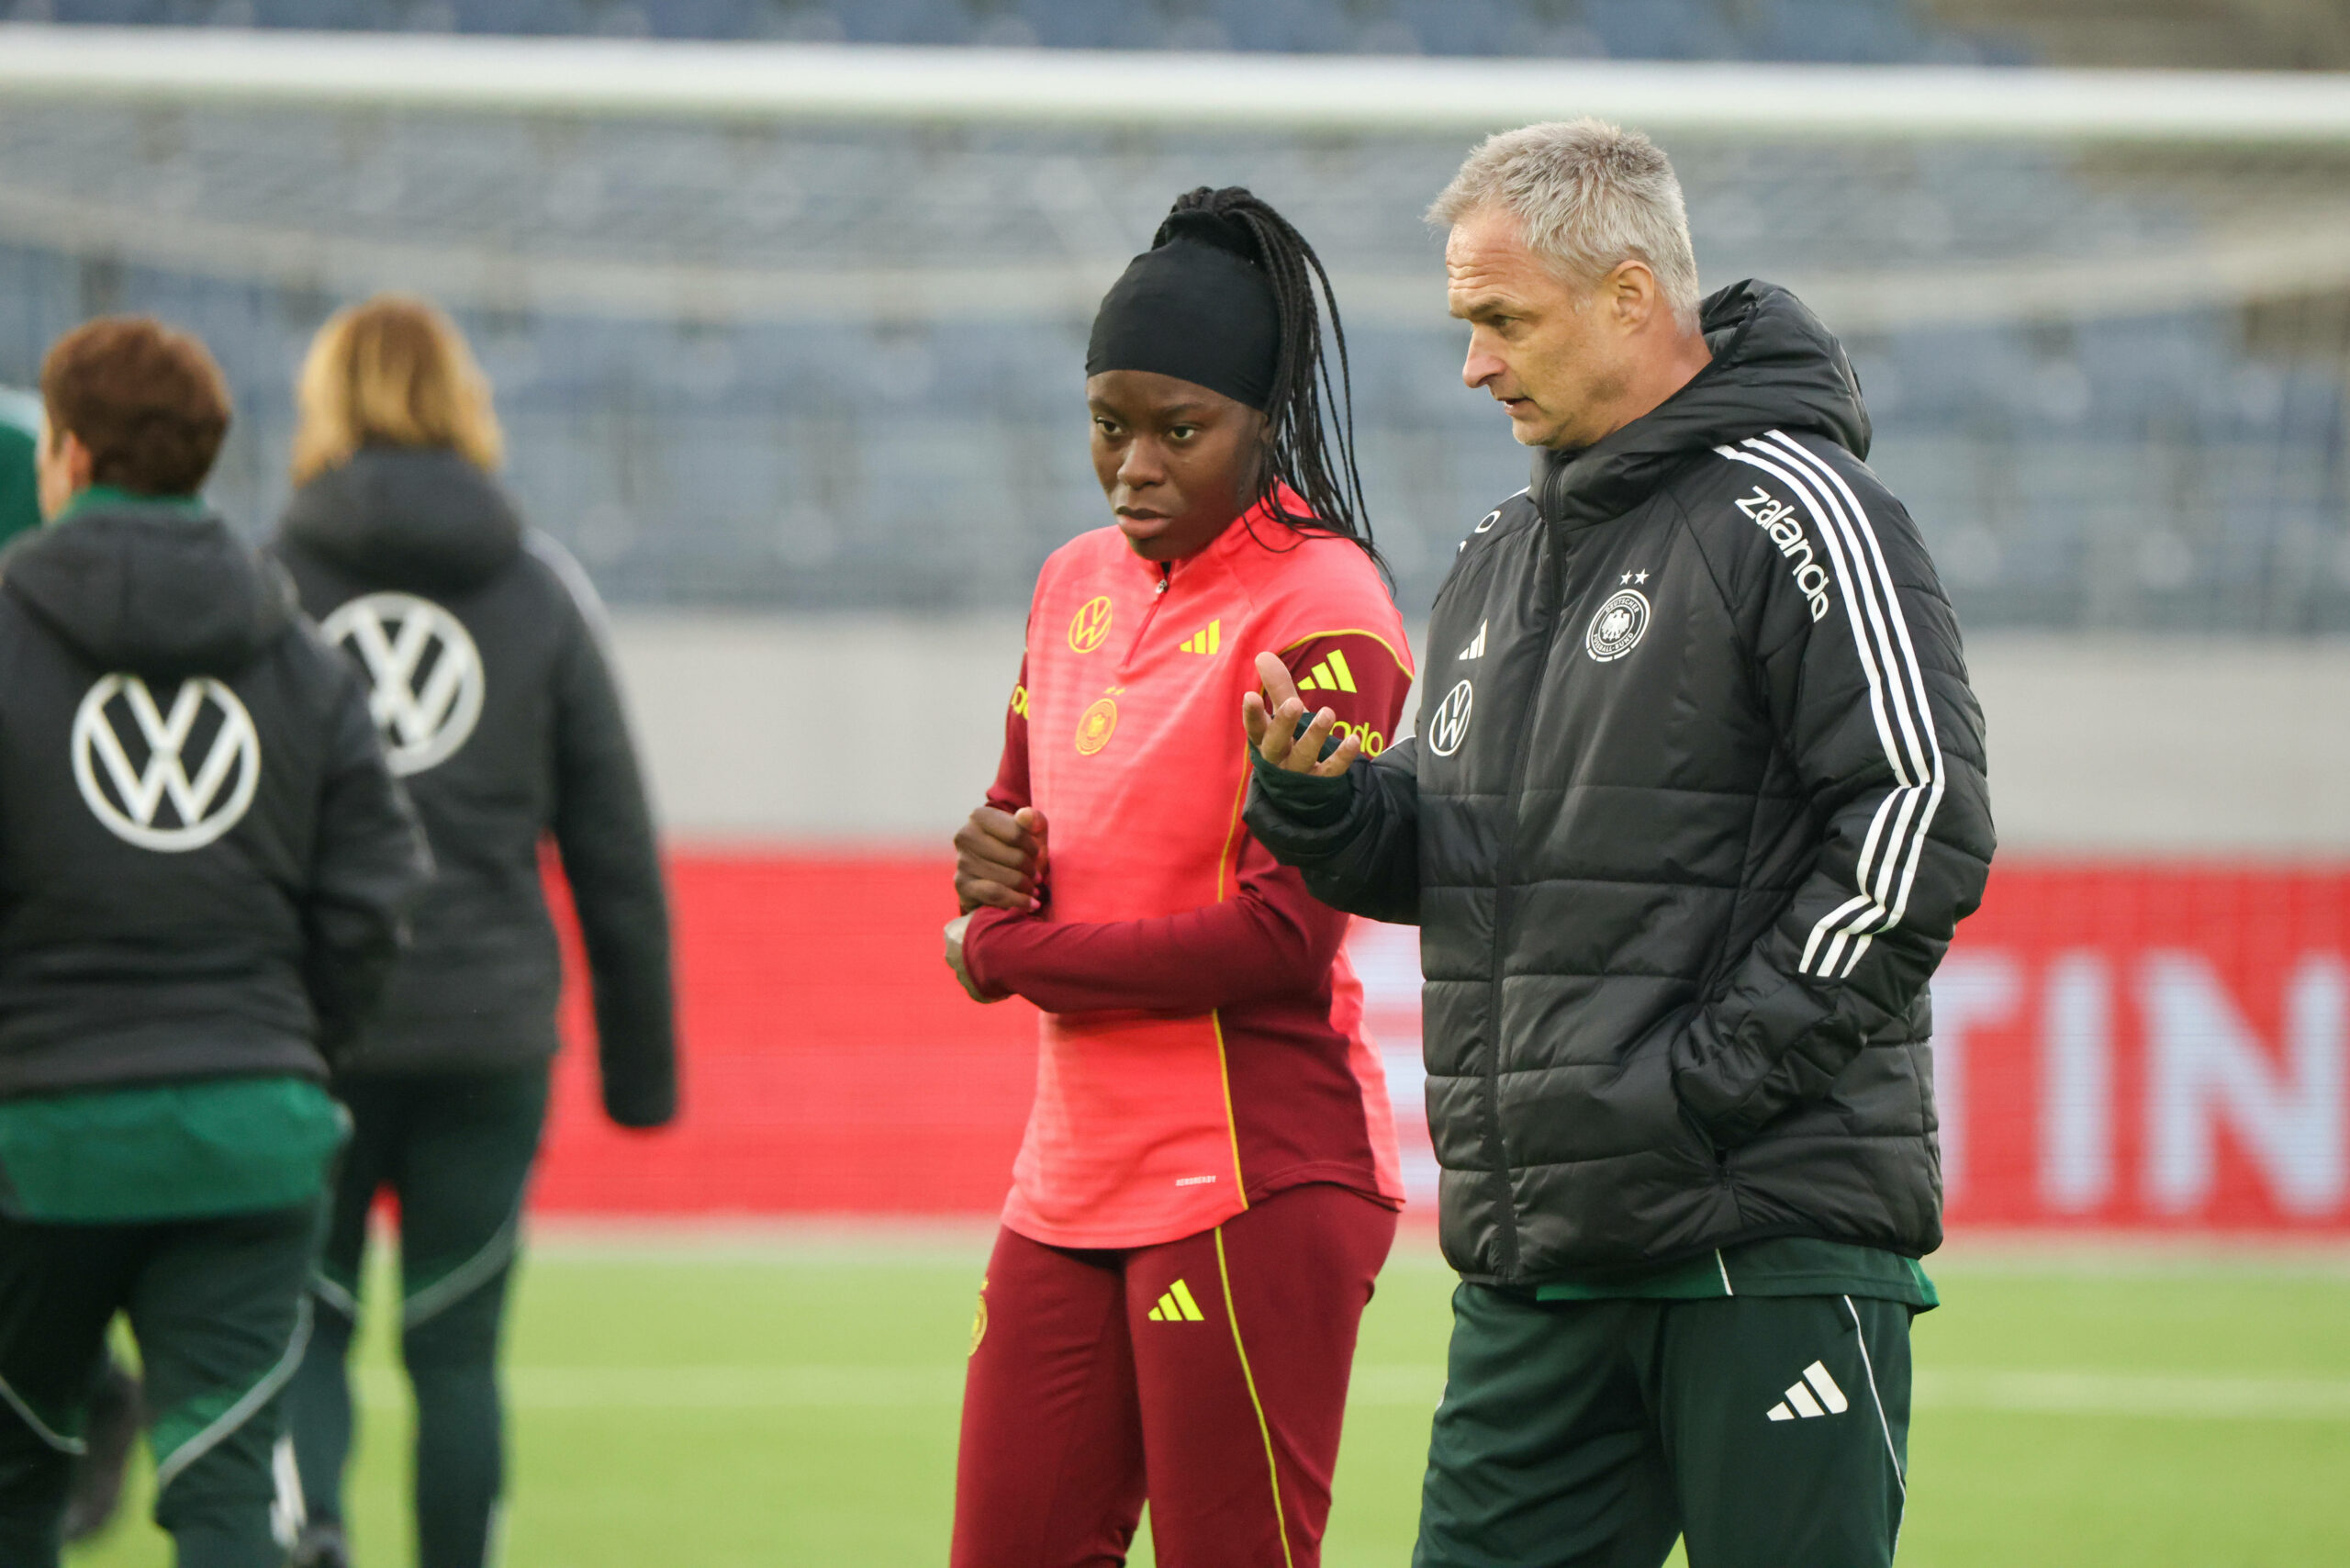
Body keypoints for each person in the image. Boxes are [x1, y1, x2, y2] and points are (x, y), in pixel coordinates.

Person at [1244, 120, 1997, 1568]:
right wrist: (1329, 806)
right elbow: (1479, 852)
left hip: (1759, 1248)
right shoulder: (1496, 559)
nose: (1474, 364)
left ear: (1632, 298)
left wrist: (1700, 1090)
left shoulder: (1806, 511)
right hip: (1544, 1265)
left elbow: (1918, 816)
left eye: (1500, 320)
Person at [941, 186, 1414, 1568]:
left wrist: (1006, 955)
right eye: (1109, 424)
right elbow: (1013, 843)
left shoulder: (1325, 606)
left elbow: (1280, 938)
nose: (1133, 465)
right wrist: (986, 873)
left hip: (1252, 1173)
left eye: (1178, 430)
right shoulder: (1068, 583)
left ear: (1264, 425)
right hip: (1068, 1180)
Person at [0, 316, 431, 1567]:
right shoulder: (296, 654)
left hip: (37, 1143)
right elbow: (376, 890)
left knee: (17, 1477)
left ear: (70, 456)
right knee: (226, 1492)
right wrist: (290, 1046)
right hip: (253, 1136)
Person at [269, 295, 677, 1568]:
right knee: (454, 1350)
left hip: (310, 1030)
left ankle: (315, 1532)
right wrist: (640, 1072)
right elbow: (613, 846)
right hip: (490, 1031)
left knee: (309, 1325)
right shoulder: (541, 589)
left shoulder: (262, 585)